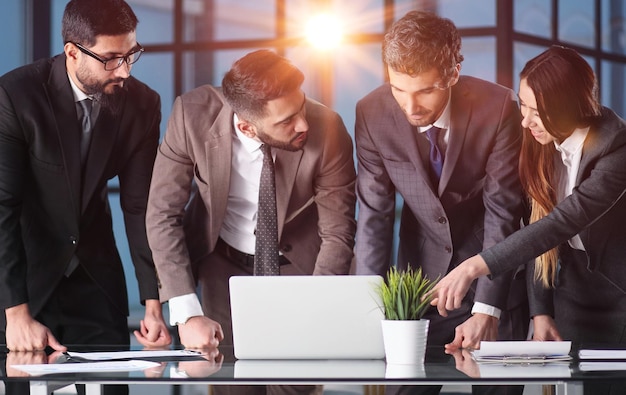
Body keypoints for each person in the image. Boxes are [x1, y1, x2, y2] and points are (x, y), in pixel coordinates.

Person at [146, 49, 356, 394]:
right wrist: (187, 311)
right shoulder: (191, 116)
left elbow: (338, 232)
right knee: (232, 386)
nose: (302, 124)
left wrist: (318, 308)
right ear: (246, 126)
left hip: (299, 270)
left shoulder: (328, 128)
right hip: (224, 268)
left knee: (295, 388)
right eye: (286, 121)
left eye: (300, 107)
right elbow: (162, 214)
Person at [430, 45, 626, 395]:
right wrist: (541, 310)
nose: (525, 121)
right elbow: (538, 228)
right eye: (524, 106)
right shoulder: (541, 141)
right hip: (572, 297)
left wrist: (474, 266)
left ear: (569, 107)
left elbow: (561, 223)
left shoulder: (618, 150)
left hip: (619, 300)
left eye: (537, 112)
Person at [354, 10, 528, 395]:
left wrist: (487, 309)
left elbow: (504, 211)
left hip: (492, 282)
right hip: (419, 289)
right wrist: (366, 310)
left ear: (453, 73)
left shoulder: (499, 108)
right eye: (399, 89)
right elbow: (374, 216)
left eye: (425, 90)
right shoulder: (371, 112)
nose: (410, 106)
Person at [0, 0, 171, 391]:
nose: (125, 70)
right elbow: (2, 208)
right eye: (111, 59)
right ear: (72, 52)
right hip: (24, 278)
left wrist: (153, 302)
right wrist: (15, 313)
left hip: (95, 276)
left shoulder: (143, 105)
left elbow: (139, 206)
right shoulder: (15, 95)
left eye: (131, 55)